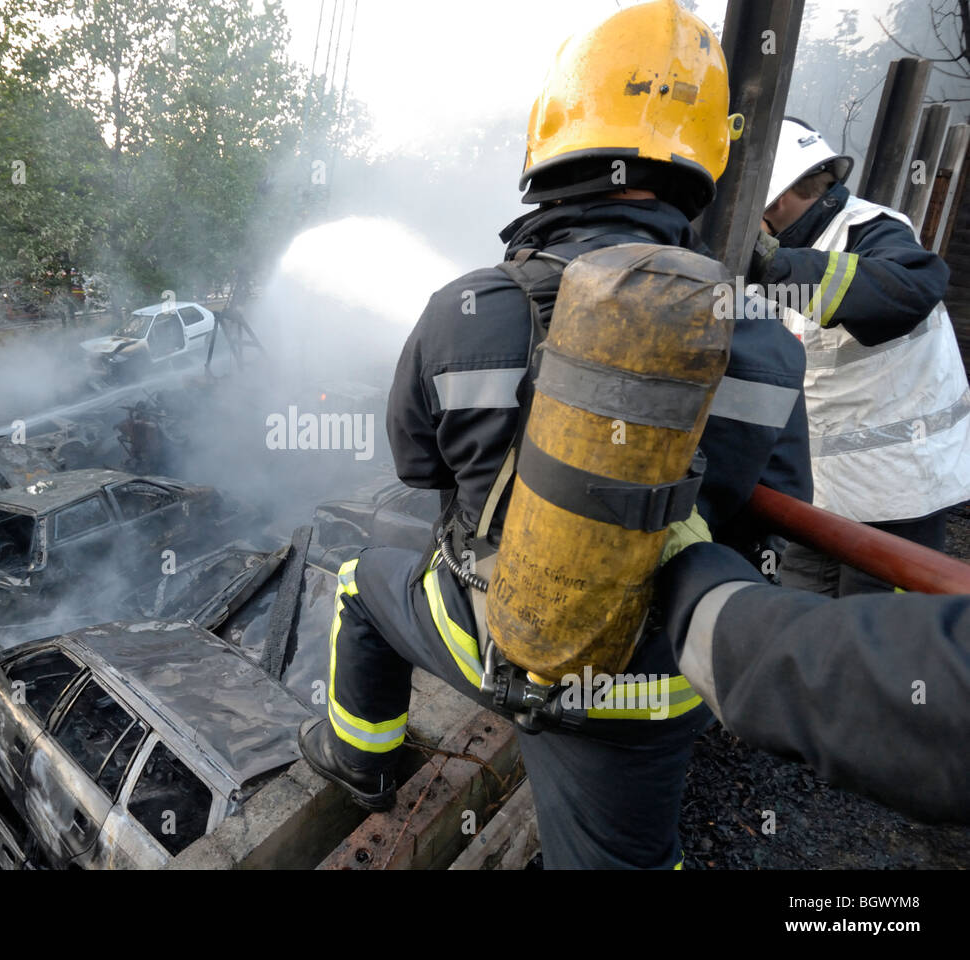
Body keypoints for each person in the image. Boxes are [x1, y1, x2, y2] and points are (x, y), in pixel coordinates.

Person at [298, 0, 812, 870]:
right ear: (706, 164)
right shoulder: (759, 335)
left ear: (551, 140)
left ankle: (363, 762)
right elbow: (780, 514)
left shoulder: (464, 310)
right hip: (654, 678)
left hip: (492, 637)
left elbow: (417, 468)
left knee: (361, 583)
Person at [754, 117, 970, 596]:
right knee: (802, 613)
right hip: (823, 492)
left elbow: (912, 288)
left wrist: (776, 267)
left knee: (877, 635)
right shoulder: (791, 246)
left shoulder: (872, 231)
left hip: (901, 490)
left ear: (777, 198)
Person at [657, 532, 970, 824]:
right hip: (838, 501)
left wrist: (701, 583)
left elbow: (931, 684)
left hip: (891, 500)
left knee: (866, 587)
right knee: (815, 573)